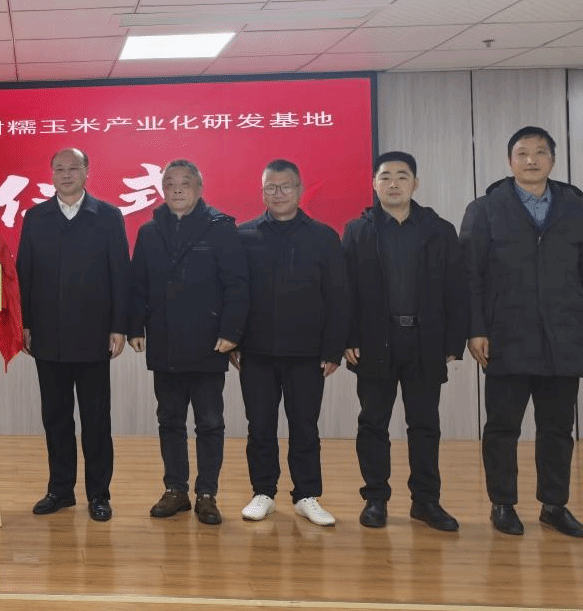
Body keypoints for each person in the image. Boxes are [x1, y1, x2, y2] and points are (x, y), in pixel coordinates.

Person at [460, 126, 583, 538]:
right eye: (523, 152)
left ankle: (554, 504)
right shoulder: (486, 208)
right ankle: (503, 503)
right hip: (505, 336)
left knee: (557, 429)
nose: (532, 160)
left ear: (553, 159)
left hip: (563, 336)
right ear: (509, 161)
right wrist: (475, 328)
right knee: (502, 427)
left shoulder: (576, 206)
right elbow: (470, 275)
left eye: (540, 152)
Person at [342, 151, 467, 532]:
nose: (393, 183)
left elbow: (456, 287)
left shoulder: (439, 230)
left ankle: (426, 501)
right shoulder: (357, 230)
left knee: (425, 424)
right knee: (373, 423)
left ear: (415, 183)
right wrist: (348, 337)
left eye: (402, 176)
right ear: (374, 183)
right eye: (385, 176)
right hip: (374, 341)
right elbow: (345, 290)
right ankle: (375, 499)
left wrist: (453, 341)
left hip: (425, 341)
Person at [128, 159, 248, 526]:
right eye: (170, 183)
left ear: (199, 188)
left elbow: (237, 284)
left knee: (209, 423)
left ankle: (207, 494)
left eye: (185, 182)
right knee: (169, 420)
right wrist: (135, 328)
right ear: (162, 189)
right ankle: (175, 490)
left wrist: (231, 332)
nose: (177, 188)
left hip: (209, 343)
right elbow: (138, 285)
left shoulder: (220, 228)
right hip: (164, 341)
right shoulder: (149, 231)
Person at [233, 160, 349, 527]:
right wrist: (233, 340)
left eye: (285, 186)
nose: (278, 193)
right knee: (259, 426)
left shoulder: (323, 237)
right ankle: (263, 492)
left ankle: (306, 495)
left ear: (299, 190)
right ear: (262, 191)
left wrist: (333, 349)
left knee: (305, 427)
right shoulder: (243, 235)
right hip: (256, 352)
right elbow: (234, 293)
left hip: (307, 353)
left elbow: (338, 296)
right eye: (271, 187)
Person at [16, 148, 130, 522]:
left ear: (87, 171)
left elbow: (120, 274)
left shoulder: (108, 216)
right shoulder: (36, 217)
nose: (66, 174)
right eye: (59, 169)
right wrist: (24, 324)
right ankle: (60, 490)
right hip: (47, 335)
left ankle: (99, 494)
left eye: (73, 168)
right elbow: (24, 273)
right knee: (56, 418)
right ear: (51, 174)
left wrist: (119, 326)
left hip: (94, 334)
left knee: (96, 420)